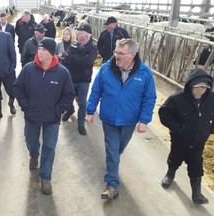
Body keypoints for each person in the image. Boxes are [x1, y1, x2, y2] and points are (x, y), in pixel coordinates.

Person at [86, 38, 156, 200]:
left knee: (118, 149)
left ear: (132, 54)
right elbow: (96, 91)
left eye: (121, 53)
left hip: (129, 120)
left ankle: (112, 165)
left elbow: (149, 97)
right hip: (109, 118)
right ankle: (112, 185)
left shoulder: (144, 73)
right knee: (112, 149)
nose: (116, 55)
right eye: (116, 52)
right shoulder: (105, 69)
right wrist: (90, 111)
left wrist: (144, 120)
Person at [13, 37, 75, 195]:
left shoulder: (62, 72)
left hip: (52, 119)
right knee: (31, 141)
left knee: (49, 146)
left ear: (52, 53)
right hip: (32, 116)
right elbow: (17, 88)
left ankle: (46, 177)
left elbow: (68, 95)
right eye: (39, 49)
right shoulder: (28, 69)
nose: (40, 53)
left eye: (44, 50)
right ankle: (34, 155)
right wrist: (25, 105)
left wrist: (58, 110)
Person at [159, 68, 214, 205]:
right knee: (175, 158)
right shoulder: (177, 99)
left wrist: (209, 129)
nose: (200, 90)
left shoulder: (212, 99)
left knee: (196, 165)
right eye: (197, 87)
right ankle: (170, 174)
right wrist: (178, 129)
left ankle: (197, 194)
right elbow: (164, 114)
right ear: (190, 85)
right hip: (180, 139)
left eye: (203, 87)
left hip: (198, 141)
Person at [63, 24, 97, 135]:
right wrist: (75, 60)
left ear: (86, 35)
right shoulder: (74, 45)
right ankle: (70, 110)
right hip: (72, 77)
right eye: (77, 33)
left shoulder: (92, 47)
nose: (77, 35)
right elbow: (67, 59)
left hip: (84, 79)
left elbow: (87, 62)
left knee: (82, 103)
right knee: (68, 97)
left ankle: (81, 124)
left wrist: (72, 58)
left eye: (79, 33)